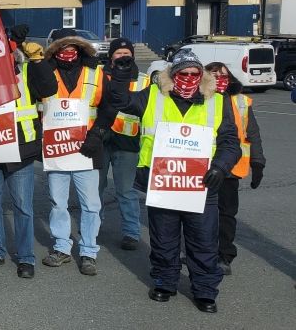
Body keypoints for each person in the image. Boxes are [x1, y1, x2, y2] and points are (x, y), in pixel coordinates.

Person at [109, 48, 241, 313]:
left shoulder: (218, 100)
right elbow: (121, 102)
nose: (189, 78)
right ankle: (164, 281)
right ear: (173, 74)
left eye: (194, 73)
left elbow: (230, 142)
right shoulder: (153, 95)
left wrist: (220, 168)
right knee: (164, 238)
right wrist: (121, 75)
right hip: (162, 182)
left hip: (201, 184)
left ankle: (204, 290)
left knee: (203, 240)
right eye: (183, 73)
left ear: (201, 75)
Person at [0, 25, 56, 279]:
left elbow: (48, 88)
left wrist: (37, 59)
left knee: (23, 207)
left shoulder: (26, 72)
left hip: (20, 152)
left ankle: (25, 258)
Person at [39, 28, 116, 276]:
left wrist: (99, 134)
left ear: (80, 49)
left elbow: (109, 106)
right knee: (57, 203)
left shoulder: (96, 74)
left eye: (73, 48)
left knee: (91, 205)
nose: (68, 53)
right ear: (55, 51)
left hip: (88, 148)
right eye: (63, 48)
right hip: (57, 148)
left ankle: (88, 252)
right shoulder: (46, 73)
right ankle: (62, 247)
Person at [205, 62, 266, 276]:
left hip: (230, 168)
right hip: (202, 166)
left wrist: (258, 162)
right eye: (214, 74)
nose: (219, 78)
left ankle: (224, 255)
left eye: (223, 74)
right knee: (201, 214)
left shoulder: (241, 101)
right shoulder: (200, 98)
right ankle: (202, 251)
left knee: (226, 214)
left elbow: (253, 134)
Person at [98, 38, 150, 250]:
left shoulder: (144, 80)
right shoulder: (98, 75)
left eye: (126, 53)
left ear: (133, 55)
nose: (122, 57)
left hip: (128, 141)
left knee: (126, 190)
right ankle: (94, 227)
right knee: (95, 188)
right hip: (100, 139)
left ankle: (131, 232)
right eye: (118, 53)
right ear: (111, 56)